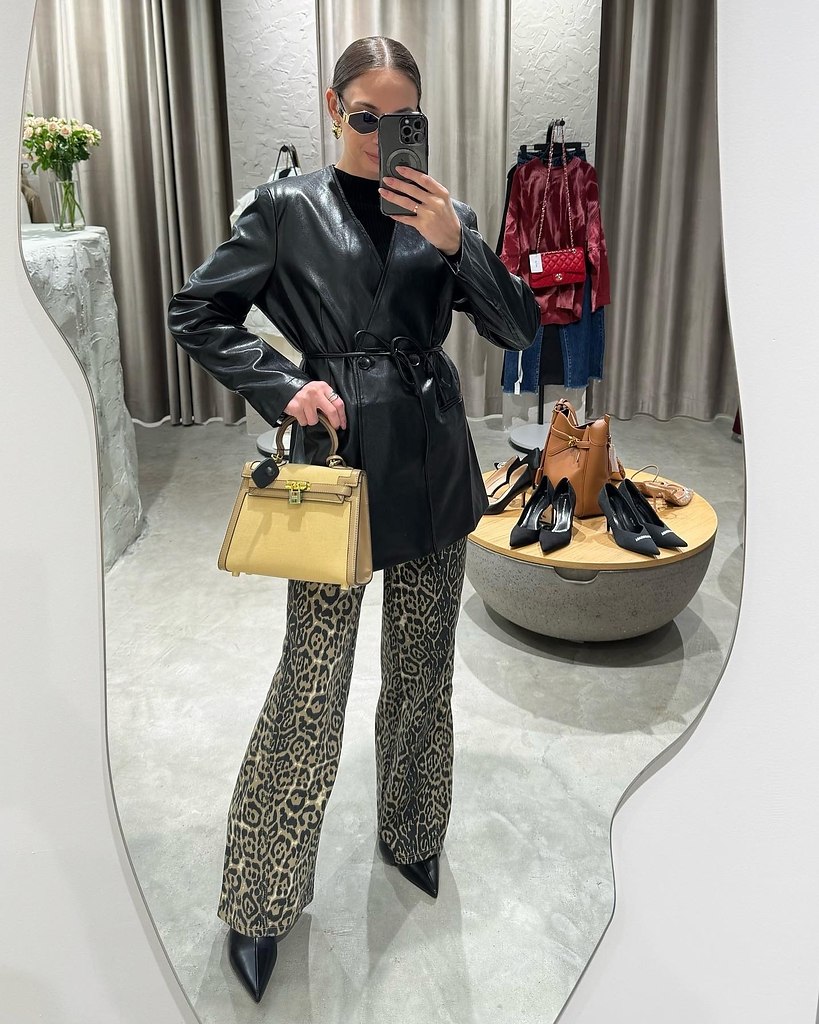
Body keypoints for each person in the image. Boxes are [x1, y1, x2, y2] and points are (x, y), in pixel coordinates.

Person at [167, 34, 539, 1003]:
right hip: (333, 464)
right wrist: (282, 384)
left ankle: (412, 832)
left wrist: (460, 245)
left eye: (400, 119)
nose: (380, 136)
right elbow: (197, 311)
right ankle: (260, 897)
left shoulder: (444, 214)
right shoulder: (283, 208)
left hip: (432, 463)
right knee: (312, 683)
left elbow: (519, 328)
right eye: (365, 117)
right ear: (334, 109)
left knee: (421, 672)